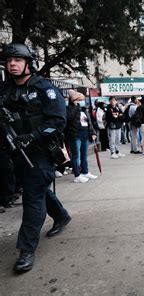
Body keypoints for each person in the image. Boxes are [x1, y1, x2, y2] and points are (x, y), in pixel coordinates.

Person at [0, 43, 71, 272]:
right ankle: (61, 215)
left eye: (17, 60)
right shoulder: (4, 90)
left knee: (33, 200)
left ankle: (26, 249)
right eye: (9, 60)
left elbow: (58, 121)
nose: (12, 64)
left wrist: (33, 135)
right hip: (15, 152)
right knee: (37, 189)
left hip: (40, 152)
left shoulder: (44, 88)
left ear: (28, 63)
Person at [65, 89, 98, 183]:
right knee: (76, 156)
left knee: (84, 155)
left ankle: (85, 172)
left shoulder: (84, 110)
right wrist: (75, 106)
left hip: (85, 135)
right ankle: (77, 175)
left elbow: (89, 123)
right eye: (80, 100)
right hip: (75, 135)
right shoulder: (69, 109)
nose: (82, 102)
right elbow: (69, 119)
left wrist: (93, 133)